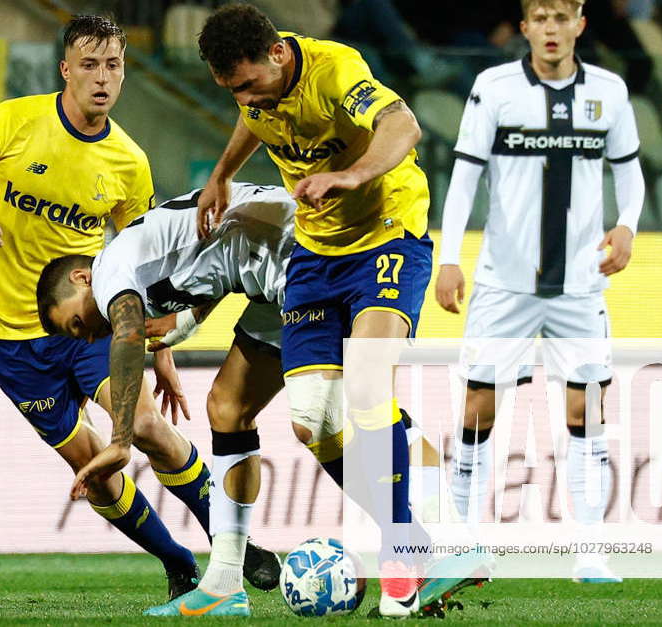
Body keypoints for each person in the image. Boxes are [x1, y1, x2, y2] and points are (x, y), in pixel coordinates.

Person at [0, 14, 275, 600]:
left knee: (147, 426)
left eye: (113, 66)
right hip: (7, 338)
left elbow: (150, 273)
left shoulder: (129, 162)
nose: (102, 78)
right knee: (92, 468)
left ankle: (232, 544)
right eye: (89, 65)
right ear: (65, 70)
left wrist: (162, 357)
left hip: (90, 322)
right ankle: (177, 562)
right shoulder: (11, 122)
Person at [39, 183, 485, 617]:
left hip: (314, 257)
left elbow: (128, 331)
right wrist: (188, 322)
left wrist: (119, 441)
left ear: (82, 277)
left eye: (78, 323)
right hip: (278, 281)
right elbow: (212, 259)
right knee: (234, 408)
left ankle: (445, 538)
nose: (89, 334)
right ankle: (225, 584)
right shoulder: (138, 269)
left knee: (363, 398)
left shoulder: (109, 269)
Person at [187, 4, 478, 618]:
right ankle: (436, 545)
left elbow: (405, 127)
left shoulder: (335, 70)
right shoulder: (254, 89)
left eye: (246, 85)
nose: (244, 99)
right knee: (314, 420)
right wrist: (220, 175)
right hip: (316, 254)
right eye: (231, 90)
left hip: (388, 234)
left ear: (278, 55)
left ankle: (401, 552)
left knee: (370, 384)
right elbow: (254, 120)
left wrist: (352, 175)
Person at [434, 0, 645, 583]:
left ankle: (591, 552)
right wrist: (449, 257)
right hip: (504, 283)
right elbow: (465, 176)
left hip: (580, 284)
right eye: (541, 17)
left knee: (587, 411)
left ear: (580, 24)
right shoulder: (494, 87)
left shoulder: (609, 93)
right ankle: (465, 544)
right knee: (478, 408)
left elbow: (629, 171)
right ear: (525, 26)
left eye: (563, 17)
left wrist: (628, 222)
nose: (552, 29)